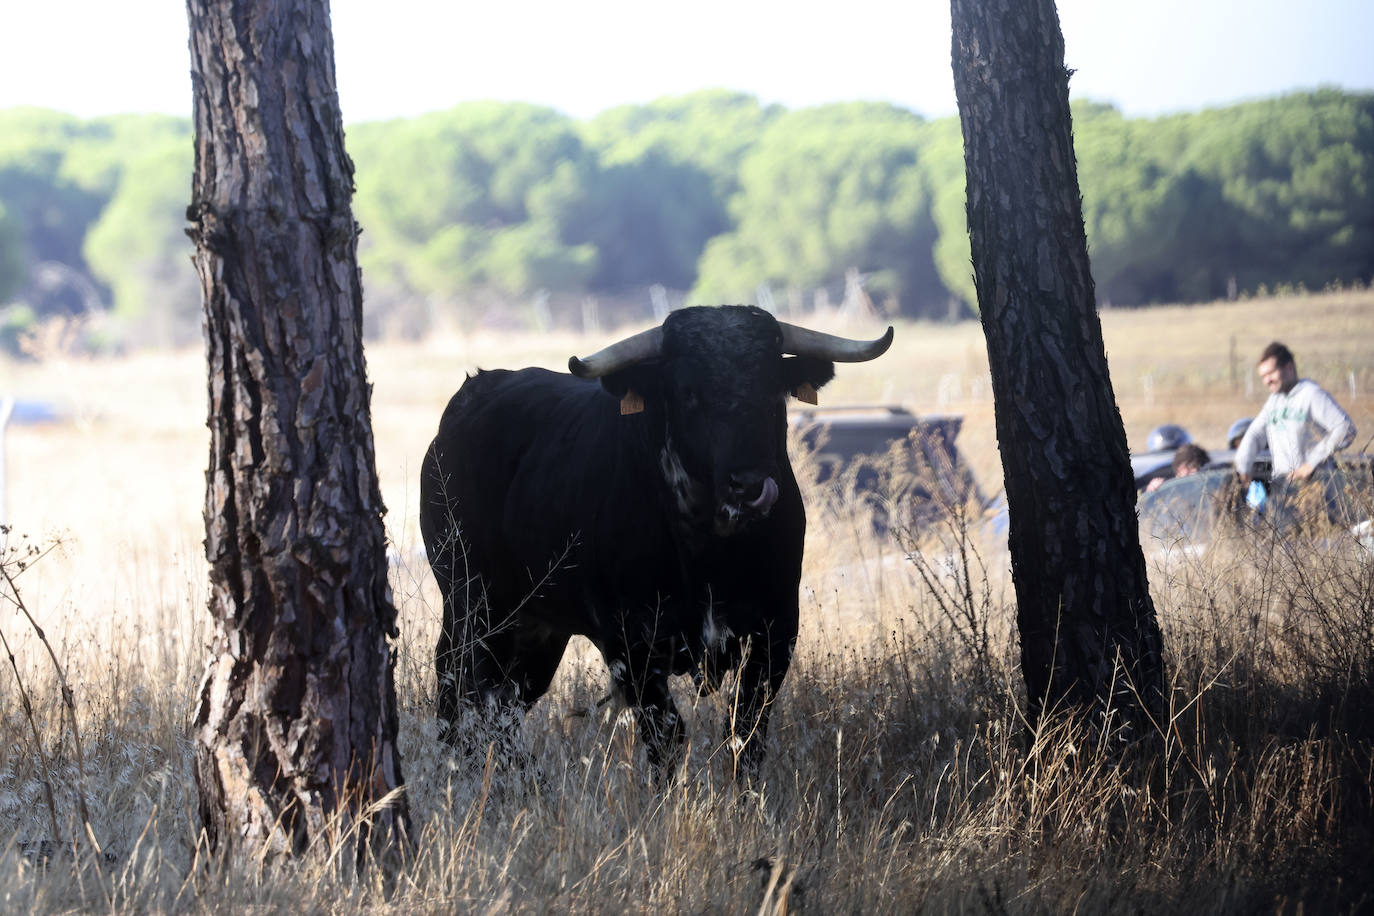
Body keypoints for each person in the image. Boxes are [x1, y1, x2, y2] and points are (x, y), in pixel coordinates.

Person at [1235, 341, 1356, 484]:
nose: (1267, 381)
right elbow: (1255, 434)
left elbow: (1345, 429)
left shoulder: (1311, 394)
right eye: (1263, 376)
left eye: (1271, 373)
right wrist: (1243, 468)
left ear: (1289, 368)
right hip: (1283, 487)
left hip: (1315, 486)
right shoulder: (1274, 402)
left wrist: (1311, 463)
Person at [1145, 443, 1210, 492]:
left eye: (1200, 467)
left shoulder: (1208, 487)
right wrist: (1152, 492)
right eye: (1192, 467)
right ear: (1181, 468)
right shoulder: (1165, 489)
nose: (1195, 471)